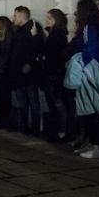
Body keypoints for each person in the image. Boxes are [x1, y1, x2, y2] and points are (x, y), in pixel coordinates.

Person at [66, 0, 99, 158]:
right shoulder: (88, 27)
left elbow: (89, 51)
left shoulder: (91, 28)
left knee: (93, 110)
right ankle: (92, 142)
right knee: (86, 109)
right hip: (89, 70)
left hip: (91, 71)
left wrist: (79, 65)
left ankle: (98, 146)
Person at [7, 6, 39, 133]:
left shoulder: (32, 28)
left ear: (21, 16)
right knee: (22, 102)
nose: (13, 18)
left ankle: (35, 128)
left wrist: (29, 63)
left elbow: (35, 49)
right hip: (18, 73)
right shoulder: (17, 30)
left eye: (15, 16)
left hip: (29, 73)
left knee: (33, 101)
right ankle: (25, 126)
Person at [43, 9, 70, 141]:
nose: (47, 20)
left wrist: (54, 72)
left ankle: (62, 131)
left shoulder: (58, 35)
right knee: (54, 104)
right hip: (52, 73)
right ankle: (57, 130)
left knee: (58, 104)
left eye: (49, 18)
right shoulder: (54, 33)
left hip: (55, 74)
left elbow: (56, 55)